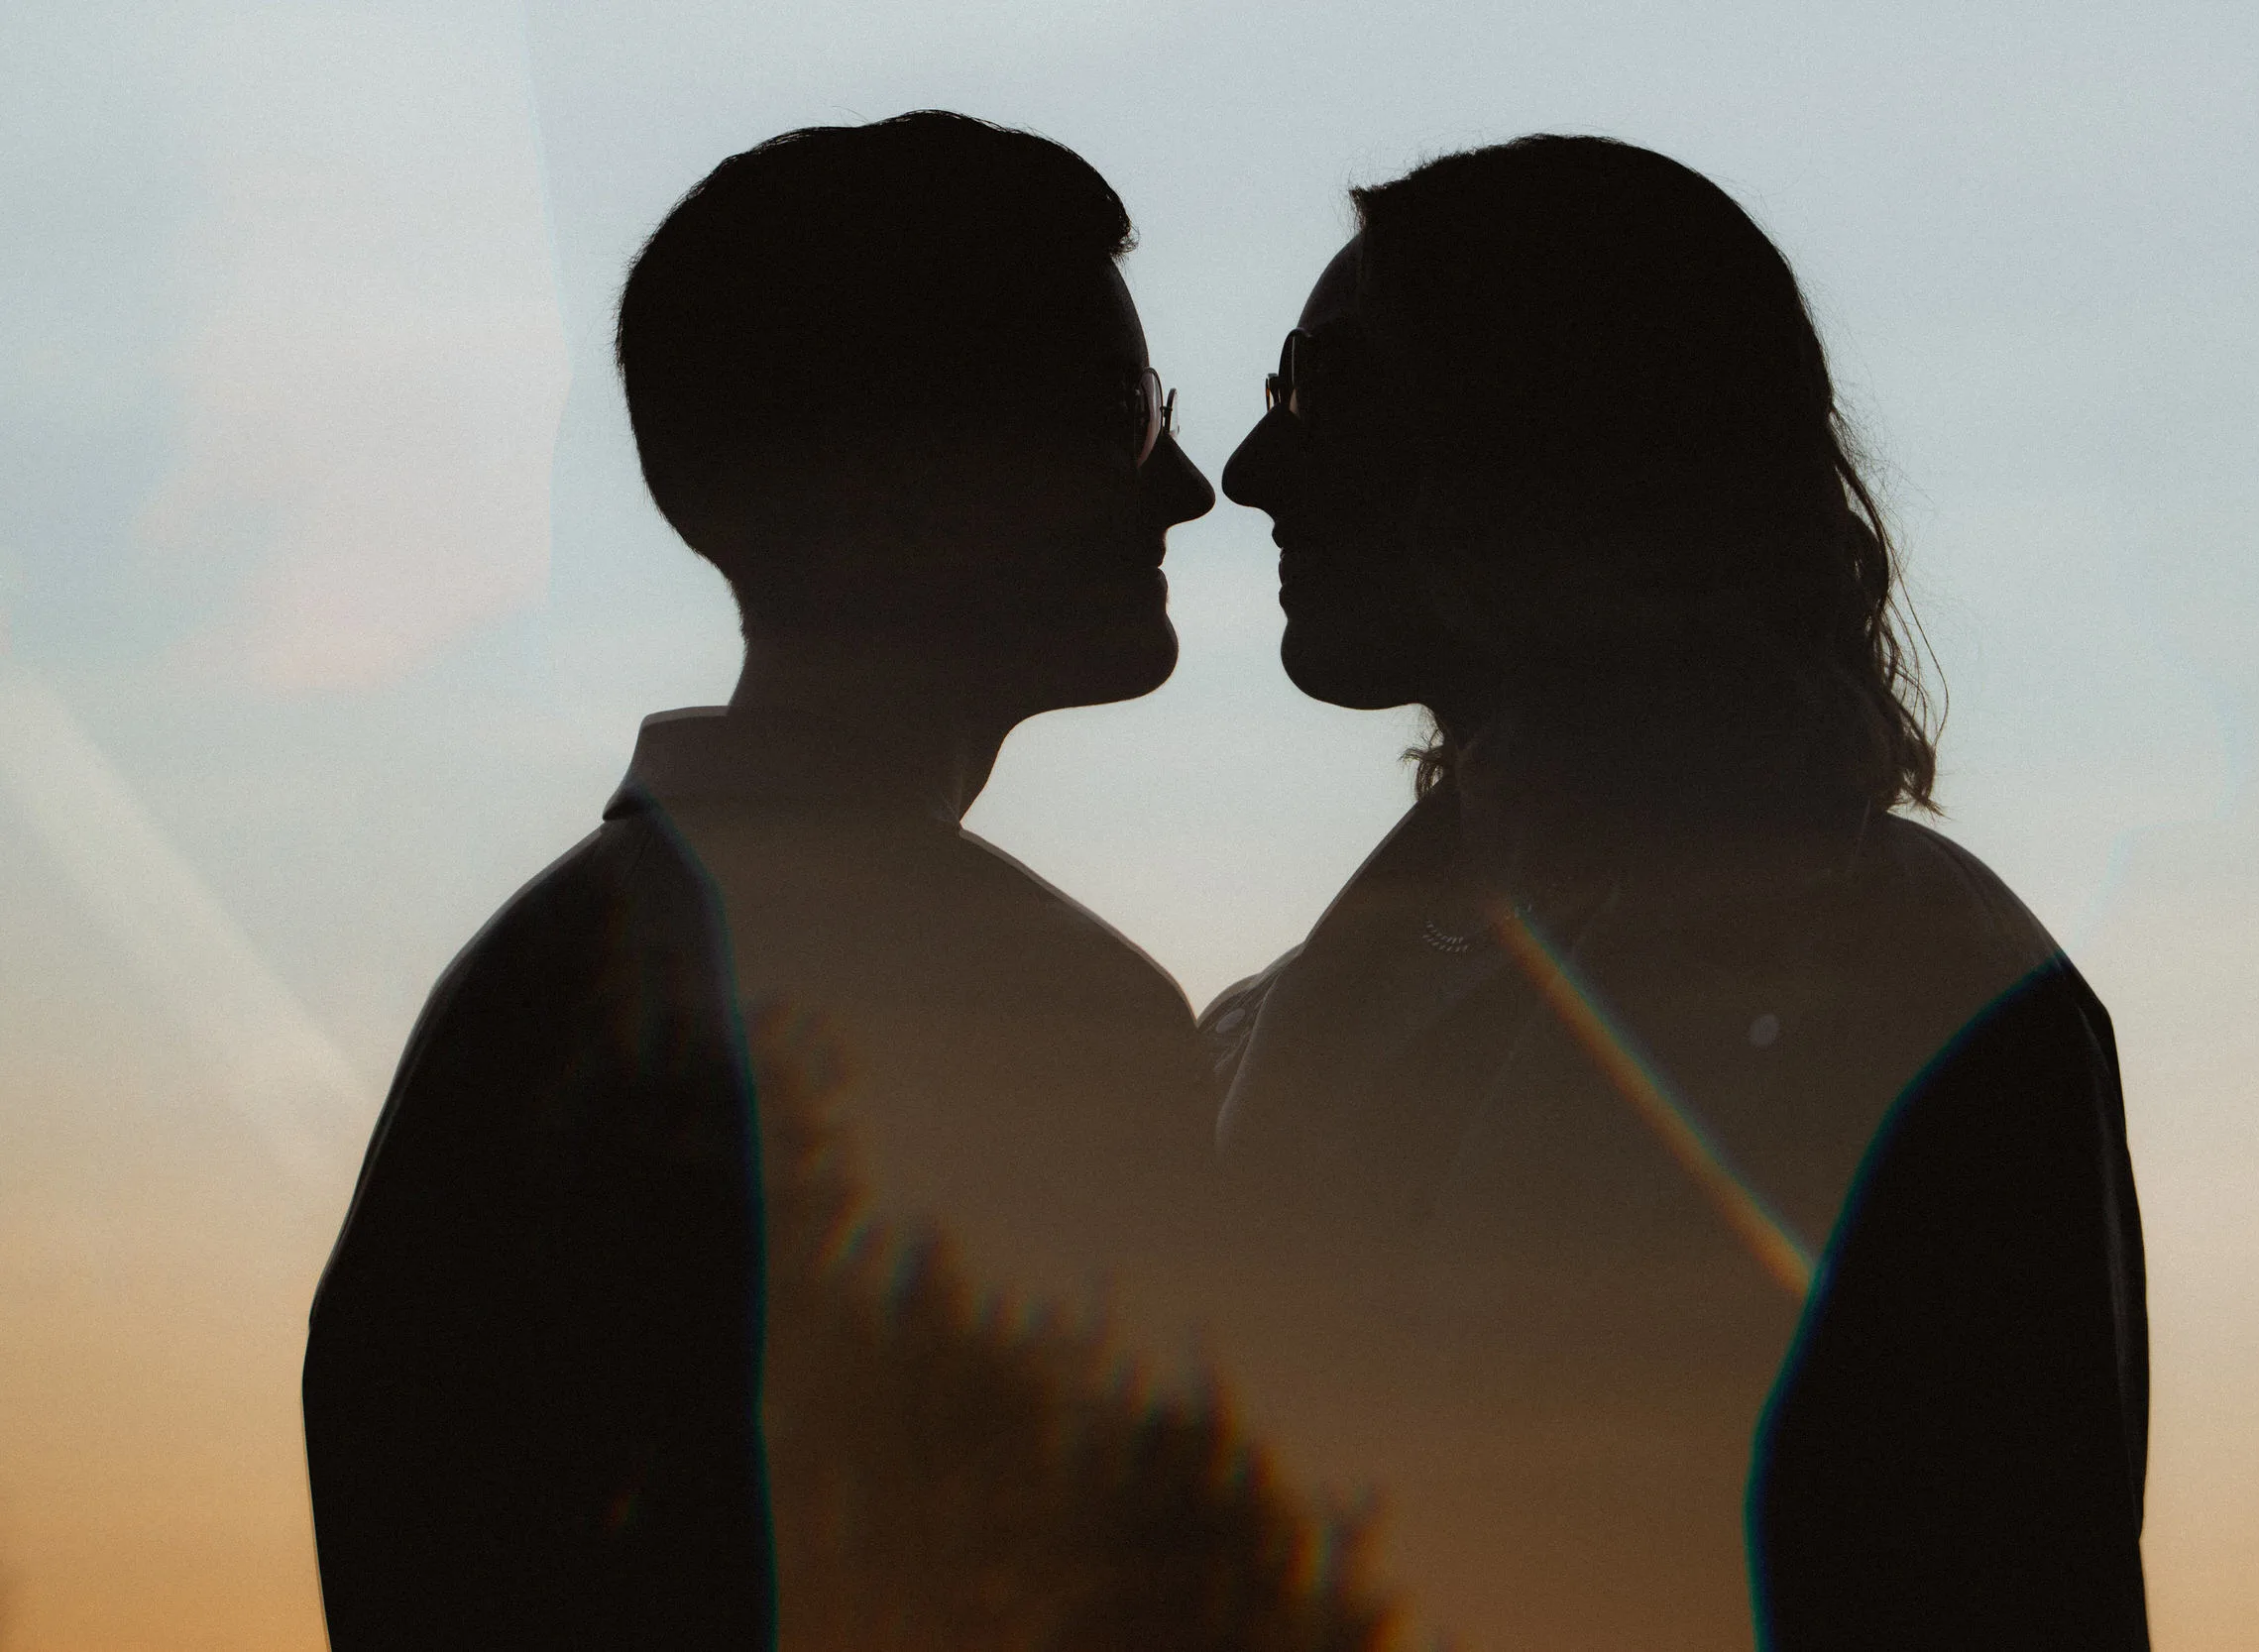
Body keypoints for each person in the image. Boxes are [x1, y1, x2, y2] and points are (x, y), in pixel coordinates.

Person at [302, 113, 1245, 1649]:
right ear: (907, 476)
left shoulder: (539, 980)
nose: (1187, 487)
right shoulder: (1024, 1012)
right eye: (1120, 413)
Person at [1207, 136, 2150, 1651]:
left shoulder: (1926, 989)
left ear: (1554, 437)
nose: (1252, 471)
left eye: (1325, 389)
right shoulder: (1264, 1029)